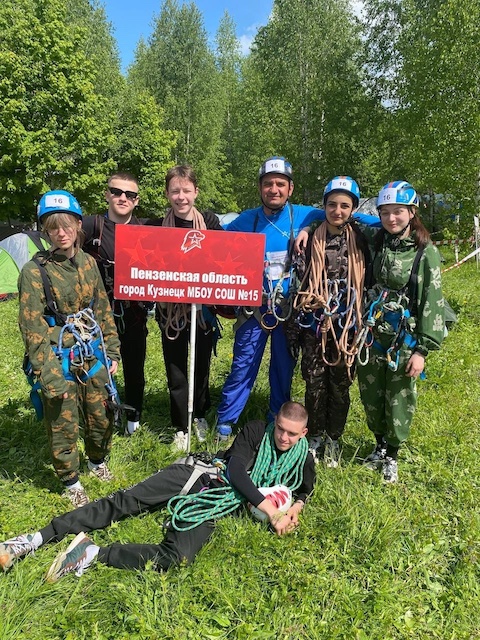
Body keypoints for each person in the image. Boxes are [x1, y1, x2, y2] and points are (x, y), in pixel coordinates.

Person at [0, 401, 315, 582]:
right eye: (280, 429)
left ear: (304, 433)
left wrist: (293, 513)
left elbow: (304, 491)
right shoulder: (257, 430)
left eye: (291, 433)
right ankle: (31, 540)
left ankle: (91, 554)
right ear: (275, 422)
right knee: (123, 503)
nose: (283, 438)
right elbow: (234, 470)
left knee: (177, 559)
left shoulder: (304, 458)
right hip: (200, 476)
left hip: (213, 504)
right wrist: (273, 512)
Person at [18, 190, 121, 508]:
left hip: (92, 354)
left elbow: (103, 309)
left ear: (78, 225)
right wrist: (48, 376)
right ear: (45, 231)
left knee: (101, 414)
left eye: (67, 225)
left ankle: (96, 460)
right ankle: (71, 480)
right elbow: (32, 330)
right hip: (57, 359)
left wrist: (112, 352)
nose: (61, 233)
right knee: (62, 422)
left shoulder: (89, 264)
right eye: (53, 227)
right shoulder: (34, 273)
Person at [216, 157, 319, 439]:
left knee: (283, 367)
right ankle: (226, 421)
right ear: (260, 188)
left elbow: (345, 214)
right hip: (256, 308)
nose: (274, 189)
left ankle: (277, 419)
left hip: (289, 309)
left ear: (290, 188)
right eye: (268, 184)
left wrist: (308, 230)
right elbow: (211, 242)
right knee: (243, 365)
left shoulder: (304, 215)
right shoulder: (246, 220)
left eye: (280, 184)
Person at [355, 181, 444, 482]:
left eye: (398, 212)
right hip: (372, 333)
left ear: (412, 212)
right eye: (385, 213)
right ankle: (379, 445)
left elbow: (433, 301)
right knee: (371, 394)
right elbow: (346, 216)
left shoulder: (424, 252)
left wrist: (421, 350)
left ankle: (392, 454)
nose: (391, 219)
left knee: (399, 397)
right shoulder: (377, 239)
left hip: (404, 339)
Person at [287, 177, 369, 467]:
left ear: (353, 209)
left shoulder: (362, 238)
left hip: (347, 325)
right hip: (315, 324)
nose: (337, 211)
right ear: (323, 207)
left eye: (345, 206)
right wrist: (309, 228)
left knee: (340, 384)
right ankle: (315, 436)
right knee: (314, 382)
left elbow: (383, 222)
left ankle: (334, 437)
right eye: (332, 205)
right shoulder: (308, 242)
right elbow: (298, 284)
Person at [156, 165, 223, 450]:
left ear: (196, 192)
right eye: (175, 191)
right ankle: (180, 423)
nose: (180, 197)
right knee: (176, 367)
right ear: (167, 194)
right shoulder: (156, 226)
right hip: (171, 311)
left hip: (202, 310)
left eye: (186, 190)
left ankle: (200, 414)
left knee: (201, 363)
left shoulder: (210, 221)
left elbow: (225, 253)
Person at [82, 172, 149, 435]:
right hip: (97, 313)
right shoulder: (90, 226)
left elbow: (183, 226)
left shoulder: (147, 229)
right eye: (117, 192)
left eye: (129, 194)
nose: (123, 198)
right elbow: (59, 233)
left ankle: (133, 415)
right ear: (107, 194)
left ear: (136, 200)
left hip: (133, 312)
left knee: (134, 366)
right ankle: (103, 414)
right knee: (98, 365)